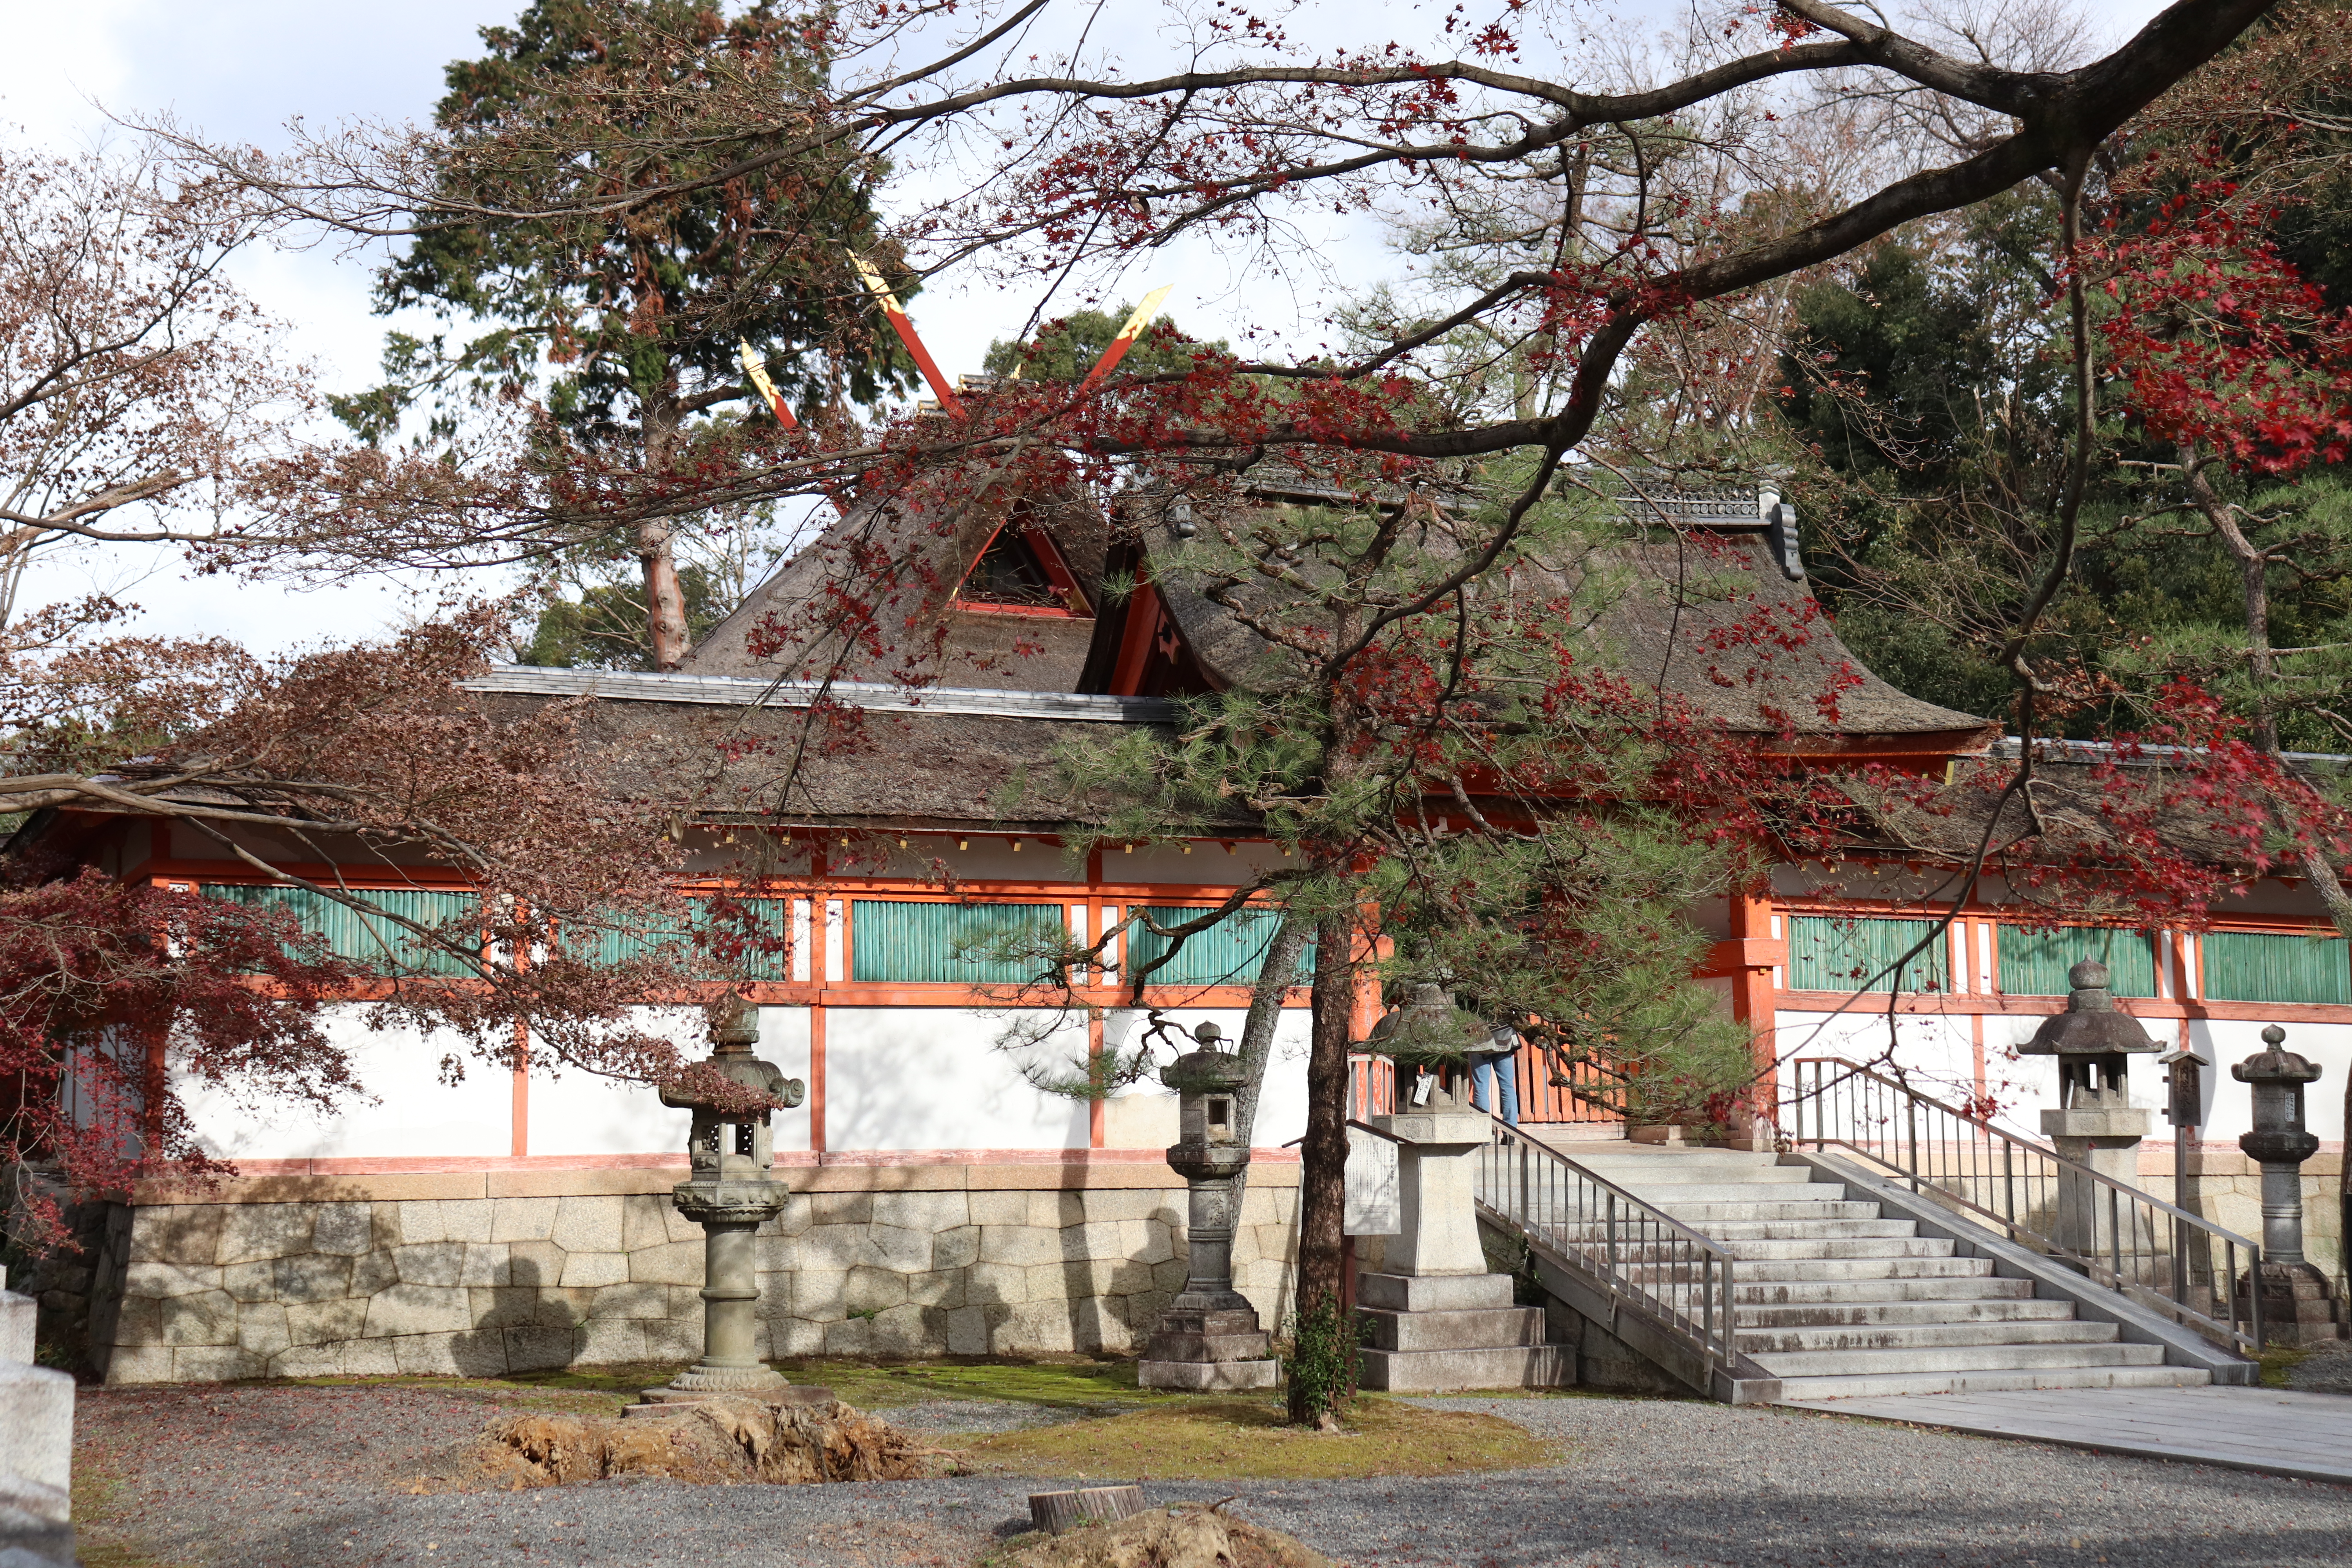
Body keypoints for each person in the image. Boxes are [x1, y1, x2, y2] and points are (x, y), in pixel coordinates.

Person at [1465, 1019, 1522, 1126]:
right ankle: (1511, 1131)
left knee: (1481, 1088)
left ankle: (1484, 1131)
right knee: (1508, 1087)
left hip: (1480, 1041)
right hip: (1504, 1039)